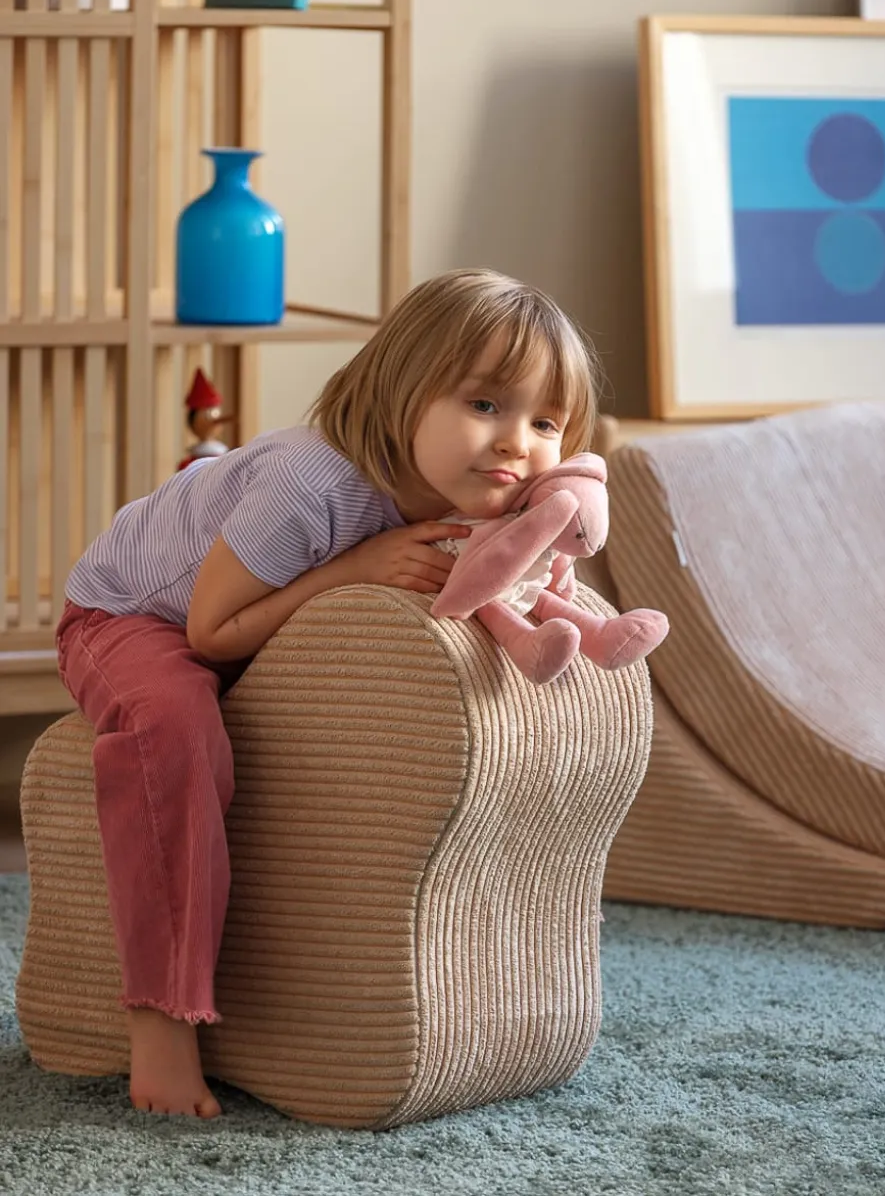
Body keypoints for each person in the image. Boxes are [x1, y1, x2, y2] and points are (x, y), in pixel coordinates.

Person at [54, 267, 601, 1118]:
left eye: (544, 422)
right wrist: (352, 571)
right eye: (485, 405)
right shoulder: (312, 486)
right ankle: (160, 1018)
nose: (515, 443)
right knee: (176, 724)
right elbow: (210, 634)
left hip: (253, 619)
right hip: (130, 614)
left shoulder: (484, 497)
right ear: (401, 388)